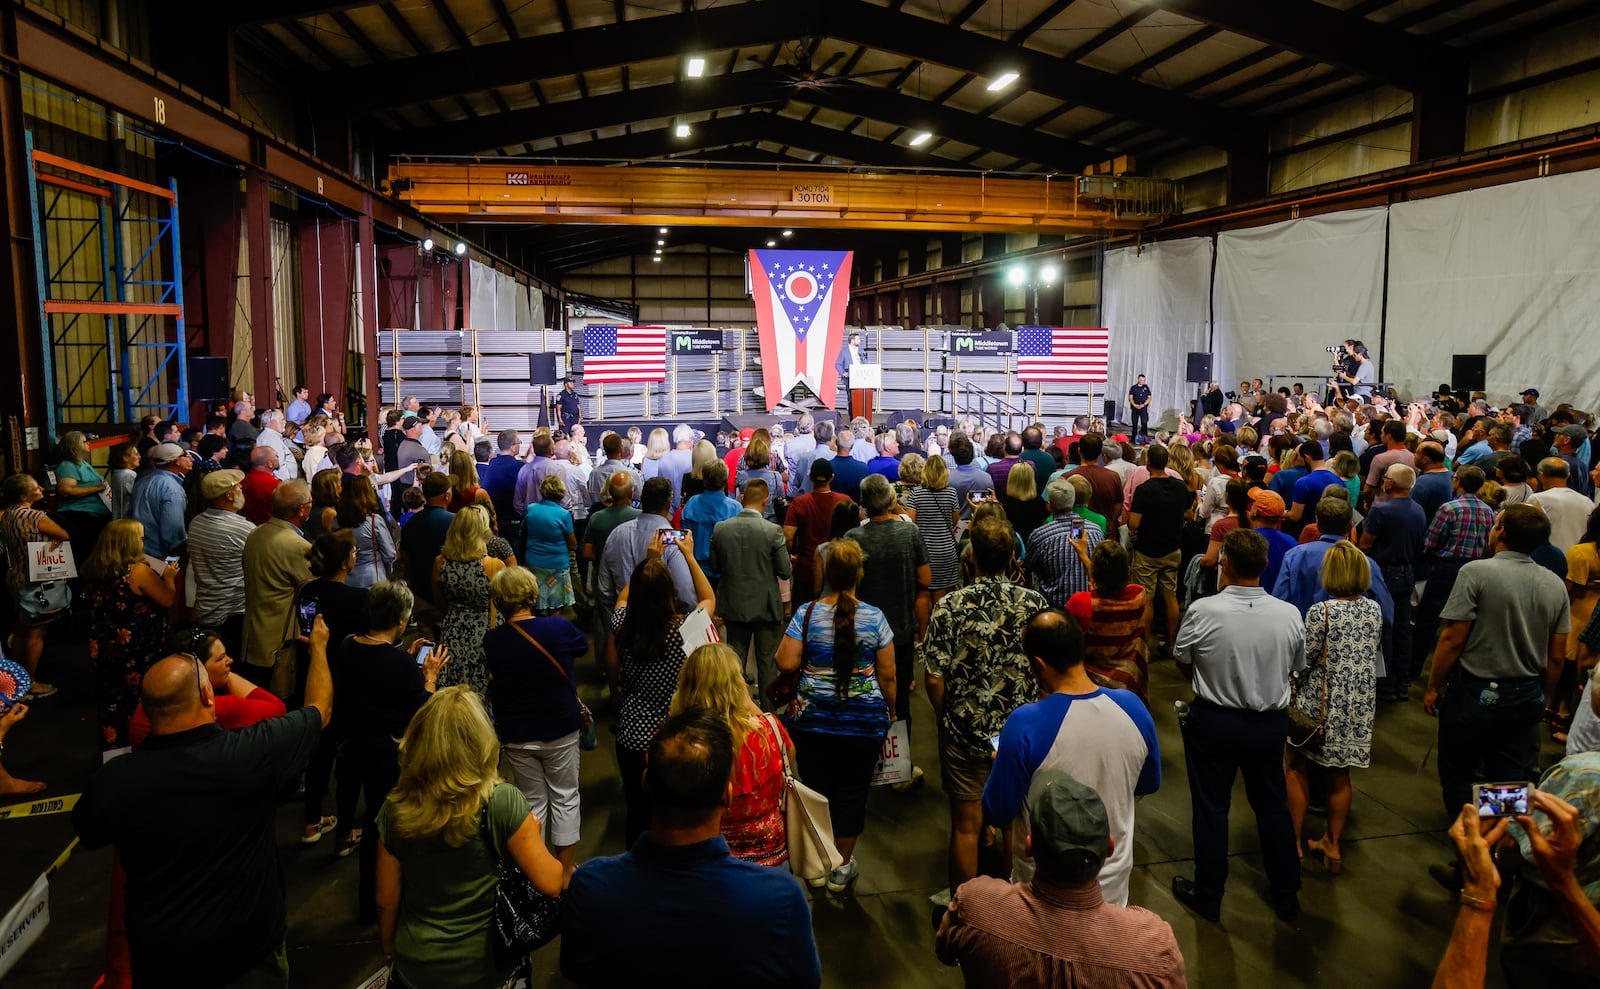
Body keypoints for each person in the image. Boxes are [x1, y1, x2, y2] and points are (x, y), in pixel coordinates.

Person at [72, 617, 332, 988]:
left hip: (162, 961)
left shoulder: (116, 780)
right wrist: (320, 648)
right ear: (209, 695)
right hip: (247, 961)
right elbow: (319, 711)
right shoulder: (251, 754)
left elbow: (89, 830)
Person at [562, 710, 822, 988]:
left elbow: (577, 970)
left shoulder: (590, 888)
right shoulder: (780, 898)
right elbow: (805, 981)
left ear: (646, 782)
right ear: (728, 795)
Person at [376, 685, 564, 989]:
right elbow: (551, 882)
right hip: (488, 967)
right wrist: (534, 833)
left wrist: (389, 949)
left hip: (416, 966)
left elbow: (386, 899)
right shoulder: (501, 802)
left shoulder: (395, 808)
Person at [1171, 529, 1307, 923]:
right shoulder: (1288, 614)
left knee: (1212, 807)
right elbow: (1295, 666)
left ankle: (1210, 893)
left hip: (1215, 720)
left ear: (1225, 564)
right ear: (1265, 567)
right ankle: (1287, 894)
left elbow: (1184, 658)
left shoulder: (1204, 611)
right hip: (1268, 724)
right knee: (1272, 806)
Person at [983, 606, 1159, 908]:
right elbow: (1147, 783)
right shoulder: (1133, 708)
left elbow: (997, 810)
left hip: (1041, 891)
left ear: (1039, 665)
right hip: (1111, 886)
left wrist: (1003, 761)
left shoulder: (1025, 724)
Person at [941, 771, 1185, 988]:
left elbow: (946, 953)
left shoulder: (974, 905)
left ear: (1029, 846)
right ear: (1109, 848)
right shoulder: (1152, 946)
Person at [923, 518, 1050, 897]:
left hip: (964, 730)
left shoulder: (949, 607)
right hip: (1022, 732)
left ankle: (964, 910)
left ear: (971, 555)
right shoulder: (1035, 604)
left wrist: (945, 715)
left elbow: (934, 677)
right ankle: (1015, 903)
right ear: (1012, 556)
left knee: (965, 825)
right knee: (1014, 820)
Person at [1425, 504, 1569, 828]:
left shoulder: (1476, 573)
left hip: (1475, 691)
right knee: (1507, 775)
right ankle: (1495, 847)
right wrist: (1544, 696)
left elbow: (1452, 639)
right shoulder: (1555, 584)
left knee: (1459, 771)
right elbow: (1556, 655)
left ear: (1501, 531)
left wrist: (1434, 685)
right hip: (1526, 692)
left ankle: (1470, 849)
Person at [773, 537, 896, 893]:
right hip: (864, 721)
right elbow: (888, 675)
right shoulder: (875, 617)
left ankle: (816, 860)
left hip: (812, 721)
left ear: (825, 572)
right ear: (859, 573)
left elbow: (785, 662)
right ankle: (841, 867)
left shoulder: (806, 614)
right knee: (853, 792)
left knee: (816, 789)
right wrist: (888, 711)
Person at [339, 580, 450, 921]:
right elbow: (423, 709)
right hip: (392, 755)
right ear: (401, 620)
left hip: (358, 747)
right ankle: (401, 896)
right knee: (398, 826)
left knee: (374, 821)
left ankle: (368, 901)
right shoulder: (401, 666)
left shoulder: (347, 647)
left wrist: (403, 657)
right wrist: (429, 676)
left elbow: (375, 671)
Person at [607, 529, 717, 848]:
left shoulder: (622, 625)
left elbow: (623, 598)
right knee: (674, 816)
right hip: (673, 735)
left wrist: (648, 561)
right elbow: (709, 598)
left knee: (637, 812)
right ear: (670, 593)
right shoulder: (684, 630)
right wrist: (689, 556)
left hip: (631, 733)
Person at [482, 565, 589, 882]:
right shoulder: (558, 629)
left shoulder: (493, 640)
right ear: (532, 594)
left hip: (517, 732)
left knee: (531, 801)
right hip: (559, 725)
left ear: (499, 601)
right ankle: (566, 868)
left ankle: (536, 870)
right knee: (565, 794)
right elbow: (581, 646)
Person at [1284, 542, 1383, 876]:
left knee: (1296, 767)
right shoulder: (1374, 610)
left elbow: (1304, 661)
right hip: (1358, 708)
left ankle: (1293, 843)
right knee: (1341, 776)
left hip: (1319, 709)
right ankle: (1332, 843)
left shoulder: (1322, 612)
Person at [670, 642, 794, 867]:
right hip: (771, 859)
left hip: (705, 861)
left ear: (687, 686)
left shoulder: (676, 743)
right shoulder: (770, 731)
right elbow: (787, 765)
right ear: (738, 685)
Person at [846, 474, 930, 781]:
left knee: (861, 696)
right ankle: (899, 768)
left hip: (863, 634)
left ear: (864, 504)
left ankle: (863, 764)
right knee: (901, 703)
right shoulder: (910, 534)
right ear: (892, 499)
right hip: (902, 632)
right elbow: (925, 579)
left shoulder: (853, 538)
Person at [296, 530, 367, 847]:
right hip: (348, 684)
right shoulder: (358, 599)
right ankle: (345, 832)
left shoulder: (307, 592)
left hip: (312, 679)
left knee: (320, 753)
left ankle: (311, 822)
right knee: (349, 760)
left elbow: (306, 632)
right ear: (345, 563)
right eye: (353, 551)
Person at [81, 518, 177, 748]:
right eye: (141, 537)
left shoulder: (93, 569)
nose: (143, 542)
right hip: (139, 649)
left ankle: (113, 752)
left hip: (105, 647)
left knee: (111, 703)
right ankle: (143, 750)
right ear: (129, 542)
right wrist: (169, 579)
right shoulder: (137, 571)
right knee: (140, 703)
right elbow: (167, 599)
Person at [711, 479, 793, 697]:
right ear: (766, 501)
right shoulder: (773, 531)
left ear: (742, 498)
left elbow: (714, 566)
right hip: (766, 607)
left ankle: (736, 713)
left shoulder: (721, 529)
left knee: (735, 663)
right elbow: (785, 572)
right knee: (767, 665)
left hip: (734, 605)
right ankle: (768, 718)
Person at [0, 473, 72, 699]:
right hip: (39, 581)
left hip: (15, 578)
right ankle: (30, 683)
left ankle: (16, 678)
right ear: (23, 495)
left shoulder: (7, 515)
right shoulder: (34, 516)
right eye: (35, 487)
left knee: (21, 630)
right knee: (36, 634)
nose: (41, 488)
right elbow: (64, 535)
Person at [1360, 464, 1428, 699]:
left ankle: (1385, 684)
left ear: (1391, 483)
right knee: (1402, 628)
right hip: (1407, 571)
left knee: (1383, 629)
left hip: (1383, 572)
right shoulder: (1419, 510)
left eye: (1386, 478)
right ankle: (1402, 681)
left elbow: (1365, 544)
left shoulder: (1381, 511)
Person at [242, 481, 313, 697]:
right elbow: (311, 593)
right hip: (280, 645)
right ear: (301, 510)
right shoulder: (297, 546)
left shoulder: (255, 533)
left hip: (251, 637)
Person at [430, 504, 507, 701]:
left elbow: (439, 600)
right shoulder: (494, 565)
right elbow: (505, 604)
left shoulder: (440, 562)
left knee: (453, 694)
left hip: (452, 632)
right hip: (488, 634)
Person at [1064, 541, 1153, 704]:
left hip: (1092, 685)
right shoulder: (1138, 596)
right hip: (1128, 681)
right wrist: (1084, 556)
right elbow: (1110, 583)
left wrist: (1092, 589)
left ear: (1095, 574)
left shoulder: (1081, 603)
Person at [599, 476, 698, 613]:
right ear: (668, 505)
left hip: (624, 620)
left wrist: (617, 619)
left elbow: (605, 590)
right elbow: (686, 596)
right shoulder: (673, 541)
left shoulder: (616, 534)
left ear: (641, 500)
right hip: (662, 624)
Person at [1128, 443, 1191, 651]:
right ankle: (1173, 642)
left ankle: (1144, 646)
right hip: (1173, 548)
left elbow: (1134, 523)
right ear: (1167, 463)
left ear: (1147, 464)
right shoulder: (1180, 486)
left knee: (1147, 599)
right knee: (1170, 596)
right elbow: (1189, 514)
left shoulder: (1144, 490)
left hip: (1147, 550)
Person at [1028, 478, 1104, 605]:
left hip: (1055, 607)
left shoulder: (1040, 535)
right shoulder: (1096, 531)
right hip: (1090, 605)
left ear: (1049, 505)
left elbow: (1030, 566)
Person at [784, 459, 847, 605]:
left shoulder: (799, 503)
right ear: (831, 477)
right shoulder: (844, 501)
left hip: (806, 568)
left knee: (803, 615)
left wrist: (789, 555)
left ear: (810, 477)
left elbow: (788, 536)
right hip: (837, 567)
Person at [905, 454, 961, 599]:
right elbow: (955, 522)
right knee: (943, 594)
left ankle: (924, 623)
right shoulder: (951, 493)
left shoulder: (916, 494)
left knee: (923, 593)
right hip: (946, 549)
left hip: (923, 551)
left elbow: (910, 523)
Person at [520, 472, 577, 612]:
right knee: (556, 606)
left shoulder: (531, 509)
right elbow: (572, 544)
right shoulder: (563, 515)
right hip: (557, 565)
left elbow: (523, 532)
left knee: (535, 602)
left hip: (533, 562)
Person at [52, 429, 111, 561]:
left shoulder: (83, 464)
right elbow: (66, 490)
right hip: (81, 515)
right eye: (84, 442)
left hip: (96, 513)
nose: (88, 443)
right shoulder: (67, 466)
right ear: (75, 445)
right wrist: (96, 488)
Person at [129, 442, 192, 558]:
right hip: (160, 554)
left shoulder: (142, 481)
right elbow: (173, 528)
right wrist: (180, 551)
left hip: (139, 548)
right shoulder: (172, 489)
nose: (190, 458)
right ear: (176, 461)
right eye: (184, 455)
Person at [399, 472, 456, 594]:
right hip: (450, 590)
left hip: (420, 590)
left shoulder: (410, 524)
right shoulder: (456, 521)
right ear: (447, 496)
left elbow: (405, 558)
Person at [338, 473, 396, 589]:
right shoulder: (374, 521)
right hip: (373, 578)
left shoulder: (338, 521)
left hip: (347, 579)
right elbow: (389, 553)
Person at [1530, 456, 1593, 551]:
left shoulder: (1537, 499)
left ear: (1541, 475)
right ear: (1568, 475)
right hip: (1579, 557)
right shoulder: (1587, 502)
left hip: (1551, 559)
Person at [948, 433, 996, 517]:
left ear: (954, 456)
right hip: (980, 524)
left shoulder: (948, 479)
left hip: (955, 526)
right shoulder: (986, 478)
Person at [239, 443, 284, 524]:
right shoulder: (275, 485)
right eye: (276, 456)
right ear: (269, 464)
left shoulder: (243, 482)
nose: (278, 458)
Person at [107, 442, 140, 519]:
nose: (139, 457)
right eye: (136, 454)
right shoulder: (129, 475)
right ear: (125, 457)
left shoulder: (117, 474)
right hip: (127, 519)